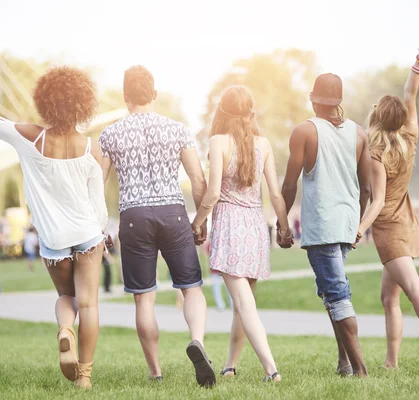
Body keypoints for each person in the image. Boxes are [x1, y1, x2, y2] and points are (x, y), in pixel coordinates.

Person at [0, 67, 108, 389]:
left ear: (46, 102)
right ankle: (84, 378)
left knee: (66, 297)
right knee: (88, 304)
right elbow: (98, 203)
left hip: (53, 238)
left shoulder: (32, 137)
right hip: (88, 234)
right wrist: (102, 232)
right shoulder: (91, 148)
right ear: (82, 104)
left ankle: (64, 331)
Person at [99, 65, 214, 386]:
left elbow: (97, 184)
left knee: (144, 298)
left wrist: (100, 225)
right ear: (154, 94)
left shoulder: (110, 134)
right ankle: (198, 342)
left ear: (125, 97)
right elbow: (198, 179)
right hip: (173, 213)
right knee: (191, 288)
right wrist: (200, 219)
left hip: (133, 216)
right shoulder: (177, 129)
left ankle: (155, 371)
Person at [357, 25, 419, 372]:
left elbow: (376, 201)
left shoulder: (378, 152)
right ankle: (391, 363)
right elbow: (410, 90)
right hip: (407, 221)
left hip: (389, 228)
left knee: (414, 290)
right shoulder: (410, 134)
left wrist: (359, 229)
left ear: (377, 118)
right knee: (389, 298)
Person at [191, 86, 292, 382]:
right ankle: (230, 365)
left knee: (244, 304)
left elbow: (211, 195)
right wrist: (284, 228)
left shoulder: (218, 142)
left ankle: (272, 370)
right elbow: (275, 194)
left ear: (222, 111)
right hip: (256, 229)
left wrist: (196, 223)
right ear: (251, 113)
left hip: (231, 229)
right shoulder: (264, 144)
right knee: (242, 302)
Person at [281, 73, 372, 377]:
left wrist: (283, 224)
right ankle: (344, 363)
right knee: (330, 292)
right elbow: (367, 189)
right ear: (340, 101)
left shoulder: (304, 132)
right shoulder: (359, 135)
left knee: (336, 294)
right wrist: (358, 224)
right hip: (346, 223)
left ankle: (360, 370)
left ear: (312, 99)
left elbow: (290, 185)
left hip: (322, 225)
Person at [206, 241, 232, 311]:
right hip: (224, 269)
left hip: (217, 269)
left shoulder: (211, 244)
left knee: (217, 288)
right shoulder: (226, 243)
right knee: (228, 288)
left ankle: (221, 304)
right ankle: (230, 304)